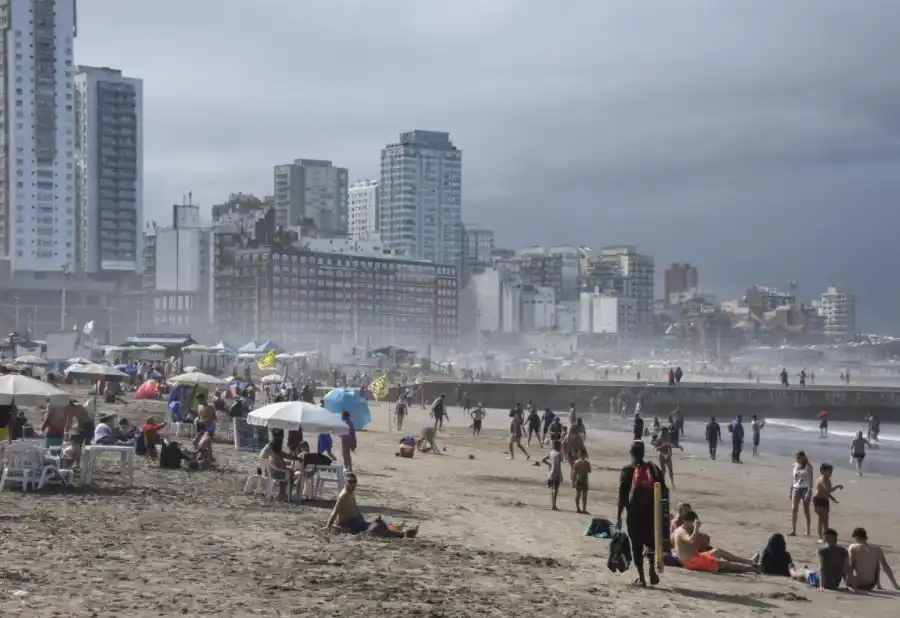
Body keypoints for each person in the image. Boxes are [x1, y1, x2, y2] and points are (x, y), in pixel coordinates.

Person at [616, 441, 665, 587]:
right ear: (643, 452)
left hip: (634, 513)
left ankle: (641, 577)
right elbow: (663, 492)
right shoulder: (654, 469)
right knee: (650, 541)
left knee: (636, 544)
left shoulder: (626, 470)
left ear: (631, 453)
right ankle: (651, 569)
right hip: (651, 512)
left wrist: (619, 516)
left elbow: (621, 496)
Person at [326, 473, 418, 537]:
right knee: (377, 528)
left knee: (379, 523)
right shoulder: (343, 496)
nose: (352, 486)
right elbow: (334, 513)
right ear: (345, 482)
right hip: (350, 525)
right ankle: (403, 534)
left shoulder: (351, 494)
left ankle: (402, 534)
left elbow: (355, 509)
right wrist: (328, 527)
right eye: (350, 483)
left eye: (354, 484)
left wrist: (361, 518)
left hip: (357, 522)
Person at [673, 511, 759, 574]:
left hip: (696, 556)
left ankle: (749, 561)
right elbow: (690, 540)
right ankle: (753, 569)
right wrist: (696, 528)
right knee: (724, 564)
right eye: (693, 523)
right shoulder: (681, 531)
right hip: (691, 561)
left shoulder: (683, 529)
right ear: (686, 522)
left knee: (718, 551)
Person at [848, 527, 900, 591]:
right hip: (871, 584)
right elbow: (885, 566)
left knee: (844, 561)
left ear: (856, 537)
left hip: (858, 584)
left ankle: (850, 585)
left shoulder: (853, 547)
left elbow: (851, 566)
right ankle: (878, 584)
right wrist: (895, 585)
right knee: (876, 562)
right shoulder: (877, 549)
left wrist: (849, 581)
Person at [812, 463, 842, 542]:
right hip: (818, 500)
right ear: (822, 471)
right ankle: (822, 537)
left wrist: (832, 498)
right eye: (829, 472)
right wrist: (837, 486)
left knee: (824, 519)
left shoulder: (827, 479)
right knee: (823, 520)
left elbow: (826, 492)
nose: (830, 473)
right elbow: (828, 490)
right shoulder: (822, 479)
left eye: (831, 472)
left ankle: (824, 536)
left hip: (825, 500)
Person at [789, 451, 814, 537]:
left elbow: (811, 481)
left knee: (806, 510)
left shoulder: (808, 467)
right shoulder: (795, 465)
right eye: (796, 458)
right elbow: (793, 479)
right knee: (794, 509)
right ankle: (793, 530)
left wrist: (809, 492)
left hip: (805, 489)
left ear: (804, 457)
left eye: (799, 458)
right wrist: (790, 489)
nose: (797, 460)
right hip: (796, 488)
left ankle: (808, 530)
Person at [541, 440, 564, 511]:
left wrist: (550, 464)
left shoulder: (551, 452)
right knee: (555, 490)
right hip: (556, 473)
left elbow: (543, 459)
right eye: (560, 445)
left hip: (550, 473)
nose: (561, 447)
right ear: (558, 446)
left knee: (552, 490)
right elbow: (558, 466)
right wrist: (561, 475)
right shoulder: (559, 454)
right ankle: (554, 505)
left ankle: (553, 504)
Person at [572, 448, 591, 514]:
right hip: (584, 480)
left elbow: (574, 473)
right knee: (584, 496)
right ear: (585, 454)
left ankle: (577, 508)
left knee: (578, 495)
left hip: (578, 480)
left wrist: (573, 482)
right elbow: (589, 471)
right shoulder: (587, 463)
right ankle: (584, 509)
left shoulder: (576, 463)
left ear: (579, 454)